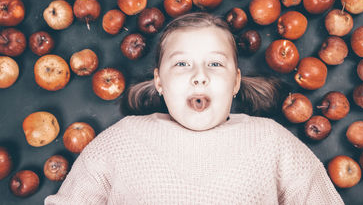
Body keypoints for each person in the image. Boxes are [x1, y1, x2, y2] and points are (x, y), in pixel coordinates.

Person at [45, 12, 344, 204]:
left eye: (215, 63)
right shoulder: (121, 141)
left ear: (236, 82)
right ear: (159, 82)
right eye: (182, 64)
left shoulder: (271, 141)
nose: (199, 75)